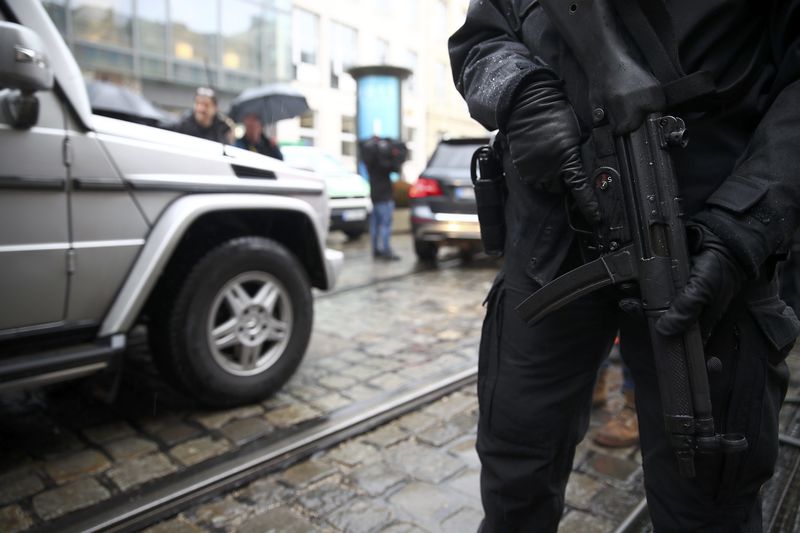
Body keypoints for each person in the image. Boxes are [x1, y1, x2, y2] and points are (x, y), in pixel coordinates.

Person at [449, 1, 799, 531]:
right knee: (514, 466)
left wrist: (744, 226)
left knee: (707, 496)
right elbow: (480, 38)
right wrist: (522, 92)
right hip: (550, 239)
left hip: (705, 248)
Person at [360, 135, 407, 261]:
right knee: (385, 224)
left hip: (374, 194)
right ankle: (386, 250)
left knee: (375, 224)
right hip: (385, 196)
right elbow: (394, 167)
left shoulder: (370, 160)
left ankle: (376, 250)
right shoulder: (383, 162)